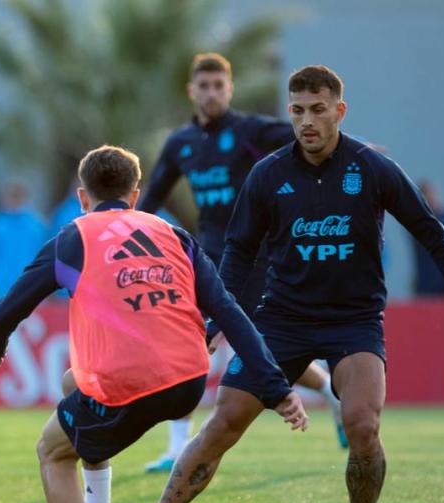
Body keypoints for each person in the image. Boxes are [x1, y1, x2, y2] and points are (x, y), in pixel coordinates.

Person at [110, 65, 444, 503]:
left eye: (318, 110)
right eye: (297, 111)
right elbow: (239, 252)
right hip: (281, 320)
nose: (307, 121)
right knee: (223, 423)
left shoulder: (373, 169)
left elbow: (431, 233)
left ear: (340, 110)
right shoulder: (268, 174)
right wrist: (216, 320)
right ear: (289, 113)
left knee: (362, 424)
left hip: (355, 322)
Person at [0, 145, 307, 503]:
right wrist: (275, 388)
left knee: (52, 451)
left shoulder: (74, 236)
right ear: (135, 194)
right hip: (189, 380)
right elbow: (229, 311)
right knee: (75, 384)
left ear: (82, 196)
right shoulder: (173, 233)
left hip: (127, 382)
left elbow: (18, 298)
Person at [139, 52, 345, 472]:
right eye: (204, 86)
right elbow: (153, 196)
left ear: (229, 89)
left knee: (259, 345)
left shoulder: (250, 130)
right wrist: (129, 228)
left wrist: (351, 155)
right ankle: (177, 444)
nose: (212, 93)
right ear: (191, 91)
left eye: (219, 85)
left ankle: (328, 390)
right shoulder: (181, 143)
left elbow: (308, 136)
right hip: (207, 253)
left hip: (255, 254)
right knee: (188, 336)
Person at [0, 180, 48, 299]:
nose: (14, 201)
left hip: (30, 290)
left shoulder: (36, 226)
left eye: (17, 196)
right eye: (12, 196)